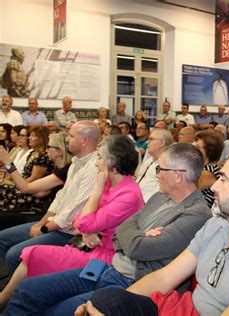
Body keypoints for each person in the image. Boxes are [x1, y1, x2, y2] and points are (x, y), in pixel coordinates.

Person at [75, 153, 229, 316]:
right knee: (104, 301)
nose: (213, 186)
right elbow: (164, 278)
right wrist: (112, 307)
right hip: (184, 310)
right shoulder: (218, 226)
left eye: (223, 179)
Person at [2, 143, 211, 315]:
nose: (155, 174)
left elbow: (139, 248)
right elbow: (123, 230)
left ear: (178, 175)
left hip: (131, 283)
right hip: (107, 268)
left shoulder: (196, 214)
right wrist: (136, 235)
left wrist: (134, 236)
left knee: (55, 312)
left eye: (160, 169)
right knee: (29, 289)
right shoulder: (160, 197)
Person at [0, 135, 144, 310]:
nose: (97, 162)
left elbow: (83, 222)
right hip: (88, 246)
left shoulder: (127, 193)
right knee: (29, 258)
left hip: (103, 257)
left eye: (99, 158)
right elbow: (79, 222)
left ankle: (4, 300)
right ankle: (6, 300)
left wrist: (96, 194)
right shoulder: (110, 184)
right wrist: (88, 230)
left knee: (30, 255)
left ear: (111, 163)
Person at [0, 121, 100, 275]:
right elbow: (60, 198)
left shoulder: (93, 166)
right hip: (53, 220)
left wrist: (43, 228)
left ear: (85, 141)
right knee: (3, 237)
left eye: (71, 136)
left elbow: (73, 211)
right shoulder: (76, 163)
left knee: (14, 254)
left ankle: (16, 292)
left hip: (67, 231)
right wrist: (41, 224)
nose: (67, 139)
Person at [0, 132, 72, 230]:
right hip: (45, 211)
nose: (46, 150)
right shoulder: (58, 169)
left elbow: (25, 188)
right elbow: (40, 193)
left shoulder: (65, 171)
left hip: (51, 217)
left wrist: (7, 162)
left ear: (59, 151)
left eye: (49, 147)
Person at [0, 126, 53, 212]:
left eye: (33, 136)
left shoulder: (44, 156)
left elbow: (33, 179)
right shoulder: (32, 153)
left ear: (41, 138)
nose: (29, 138)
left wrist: (14, 184)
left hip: (31, 191)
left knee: (3, 189)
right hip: (22, 183)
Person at [135, 128, 173, 202]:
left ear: (162, 143)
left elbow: (160, 194)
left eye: (151, 139)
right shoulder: (149, 161)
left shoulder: (168, 165)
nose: (147, 143)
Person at [195, 130, 224, 208]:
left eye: (197, 147)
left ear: (209, 151)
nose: (193, 149)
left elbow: (189, 196)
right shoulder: (202, 167)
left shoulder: (207, 171)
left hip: (201, 215)